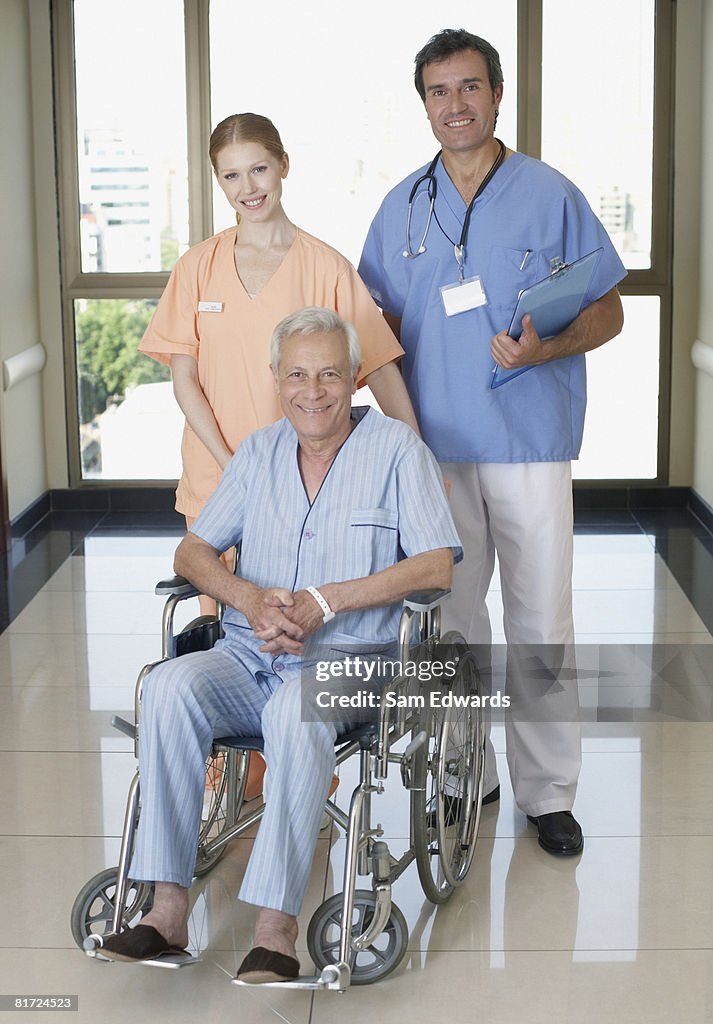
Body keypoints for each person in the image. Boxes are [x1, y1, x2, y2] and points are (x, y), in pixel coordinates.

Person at [98, 308, 461, 981]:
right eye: (295, 373)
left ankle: (274, 929)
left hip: (353, 661)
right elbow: (194, 548)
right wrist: (246, 597)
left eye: (328, 373)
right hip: (248, 653)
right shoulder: (259, 453)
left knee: (298, 705)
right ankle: (166, 912)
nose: (312, 389)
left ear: (354, 377)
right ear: (275, 379)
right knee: (169, 686)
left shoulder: (397, 451)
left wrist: (328, 600)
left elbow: (435, 565)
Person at [358, 29, 627, 856]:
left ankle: (548, 793)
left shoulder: (549, 194)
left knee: (540, 615)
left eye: (469, 87)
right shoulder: (403, 205)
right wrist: (397, 441)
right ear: (424, 104)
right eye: (439, 92)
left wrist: (543, 348)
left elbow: (608, 309)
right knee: (451, 619)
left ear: (497, 94)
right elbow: (376, 333)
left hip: (529, 438)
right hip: (436, 450)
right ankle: (461, 771)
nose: (455, 105)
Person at [139, 112, 419, 795]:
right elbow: (183, 376)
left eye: (258, 169)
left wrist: (414, 451)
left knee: (298, 622)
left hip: (310, 486)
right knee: (224, 628)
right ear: (218, 183)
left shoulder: (323, 268)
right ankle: (227, 773)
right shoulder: (197, 266)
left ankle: (298, 773)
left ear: (283, 165)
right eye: (231, 176)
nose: (247, 187)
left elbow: (377, 365)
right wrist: (234, 460)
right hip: (218, 478)